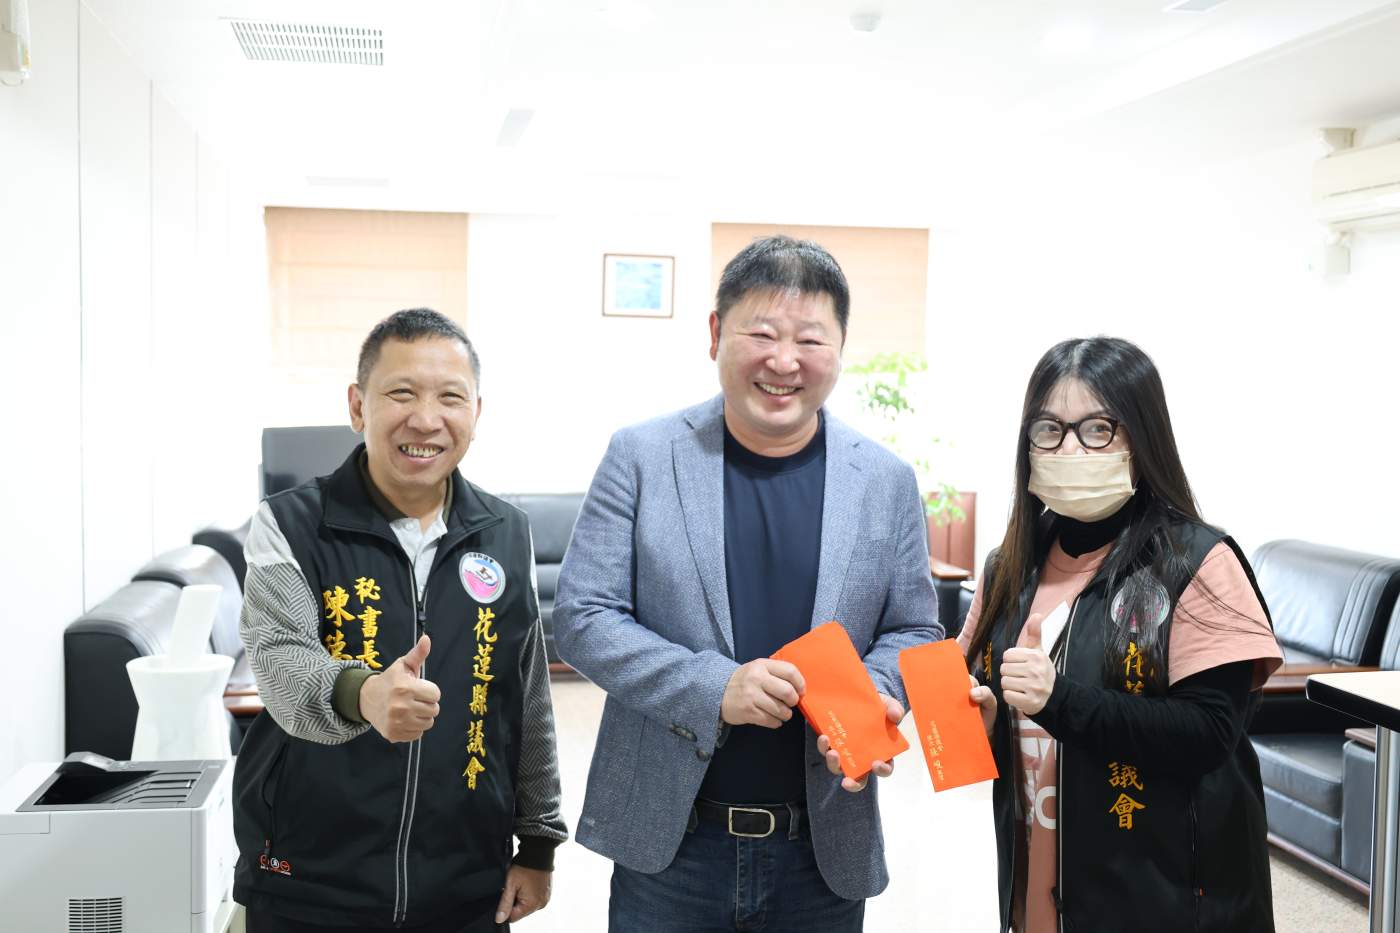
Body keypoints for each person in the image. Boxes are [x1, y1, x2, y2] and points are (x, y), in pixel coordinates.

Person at [553, 235, 941, 932]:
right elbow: (584, 618)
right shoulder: (642, 456)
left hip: (821, 845)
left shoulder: (884, 480)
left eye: (810, 340)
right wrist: (714, 687)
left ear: (840, 349)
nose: (784, 361)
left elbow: (913, 627)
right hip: (673, 846)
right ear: (715, 334)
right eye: (761, 334)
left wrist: (871, 697)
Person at [233, 308, 567, 933]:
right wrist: (363, 693)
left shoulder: (505, 532)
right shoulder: (290, 523)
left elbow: (527, 700)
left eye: (450, 398)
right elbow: (280, 659)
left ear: (476, 414)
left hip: (466, 881)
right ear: (358, 406)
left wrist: (539, 843)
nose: (426, 419)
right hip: (310, 881)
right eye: (402, 393)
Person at [959, 336, 1282, 933]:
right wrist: (981, 720)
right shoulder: (1009, 567)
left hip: (1162, 897)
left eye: (1097, 429)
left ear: (1141, 437)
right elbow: (981, 704)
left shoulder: (1197, 563)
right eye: (1049, 430)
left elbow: (1210, 733)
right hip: (1040, 877)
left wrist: (1059, 700)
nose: (1070, 448)